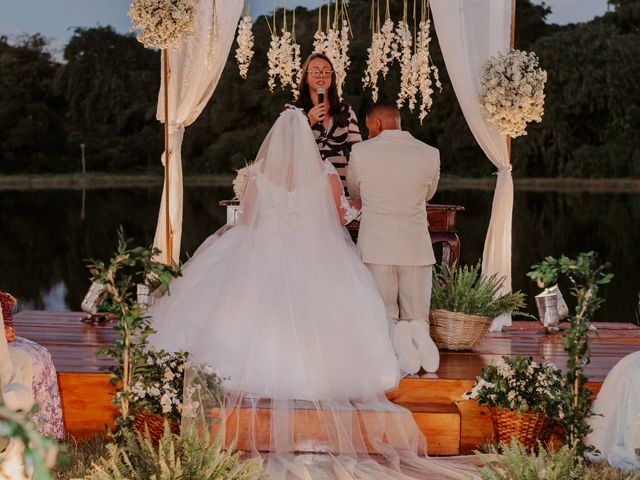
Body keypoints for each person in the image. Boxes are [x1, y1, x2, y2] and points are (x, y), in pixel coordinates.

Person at [148, 109, 478, 480]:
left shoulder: (258, 174)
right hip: (316, 252)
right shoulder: (323, 173)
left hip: (264, 250)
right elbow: (340, 217)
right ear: (307, 139)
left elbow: (250, 216)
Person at [347, 102, 440, 375]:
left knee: (384, 314)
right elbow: (428, 194)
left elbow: (355, 191)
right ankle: (420, 346)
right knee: (417, 313)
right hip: (416, 247)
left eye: (367, 128)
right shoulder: (429, 153)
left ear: (375, 124)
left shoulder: (361, 152)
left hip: (377, 246)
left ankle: (395, 361)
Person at [285, 53, 362, 189]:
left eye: (326, 71)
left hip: (340, 189)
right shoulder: (292, 110)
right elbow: (284, 146)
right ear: (306, 78)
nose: (321, 75)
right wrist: (308, 122)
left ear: (331, 78)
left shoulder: (346, 111)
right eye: (315, 71)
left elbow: (359, 152)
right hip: (306, 187)